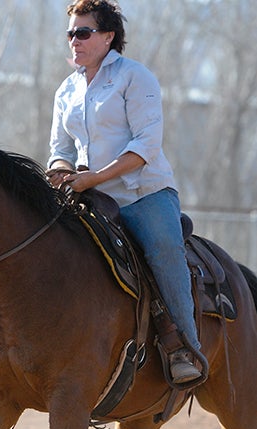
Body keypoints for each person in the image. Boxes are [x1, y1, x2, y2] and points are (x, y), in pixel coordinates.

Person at [46, 0, 204, 384]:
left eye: (83, 33)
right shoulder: (66, 90)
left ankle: (185, 347)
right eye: (70, 33)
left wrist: (93, 179)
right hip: (89, 195)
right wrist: (62, 174)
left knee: (164, 251)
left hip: (143, 195)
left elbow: (146, 145)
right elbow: (60, 151)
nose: (74, 41)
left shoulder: (136, 77)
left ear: (108, 36)